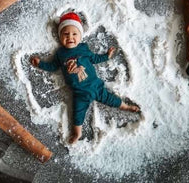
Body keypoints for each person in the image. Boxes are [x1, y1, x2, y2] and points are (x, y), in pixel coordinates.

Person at [31, 12, 140, 143]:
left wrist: (106, 56)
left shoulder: (83, 48)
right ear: (60, 36)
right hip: (79, 93)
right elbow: (53, 66)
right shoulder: (60, 53)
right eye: (65, 34)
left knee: (112, 99)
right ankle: (77, 133)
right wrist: (40, 64)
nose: (70, 37)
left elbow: (94, 58)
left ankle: (126, 107)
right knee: (77, 114)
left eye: (74, 34)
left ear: (80, 36)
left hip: (96, 86)